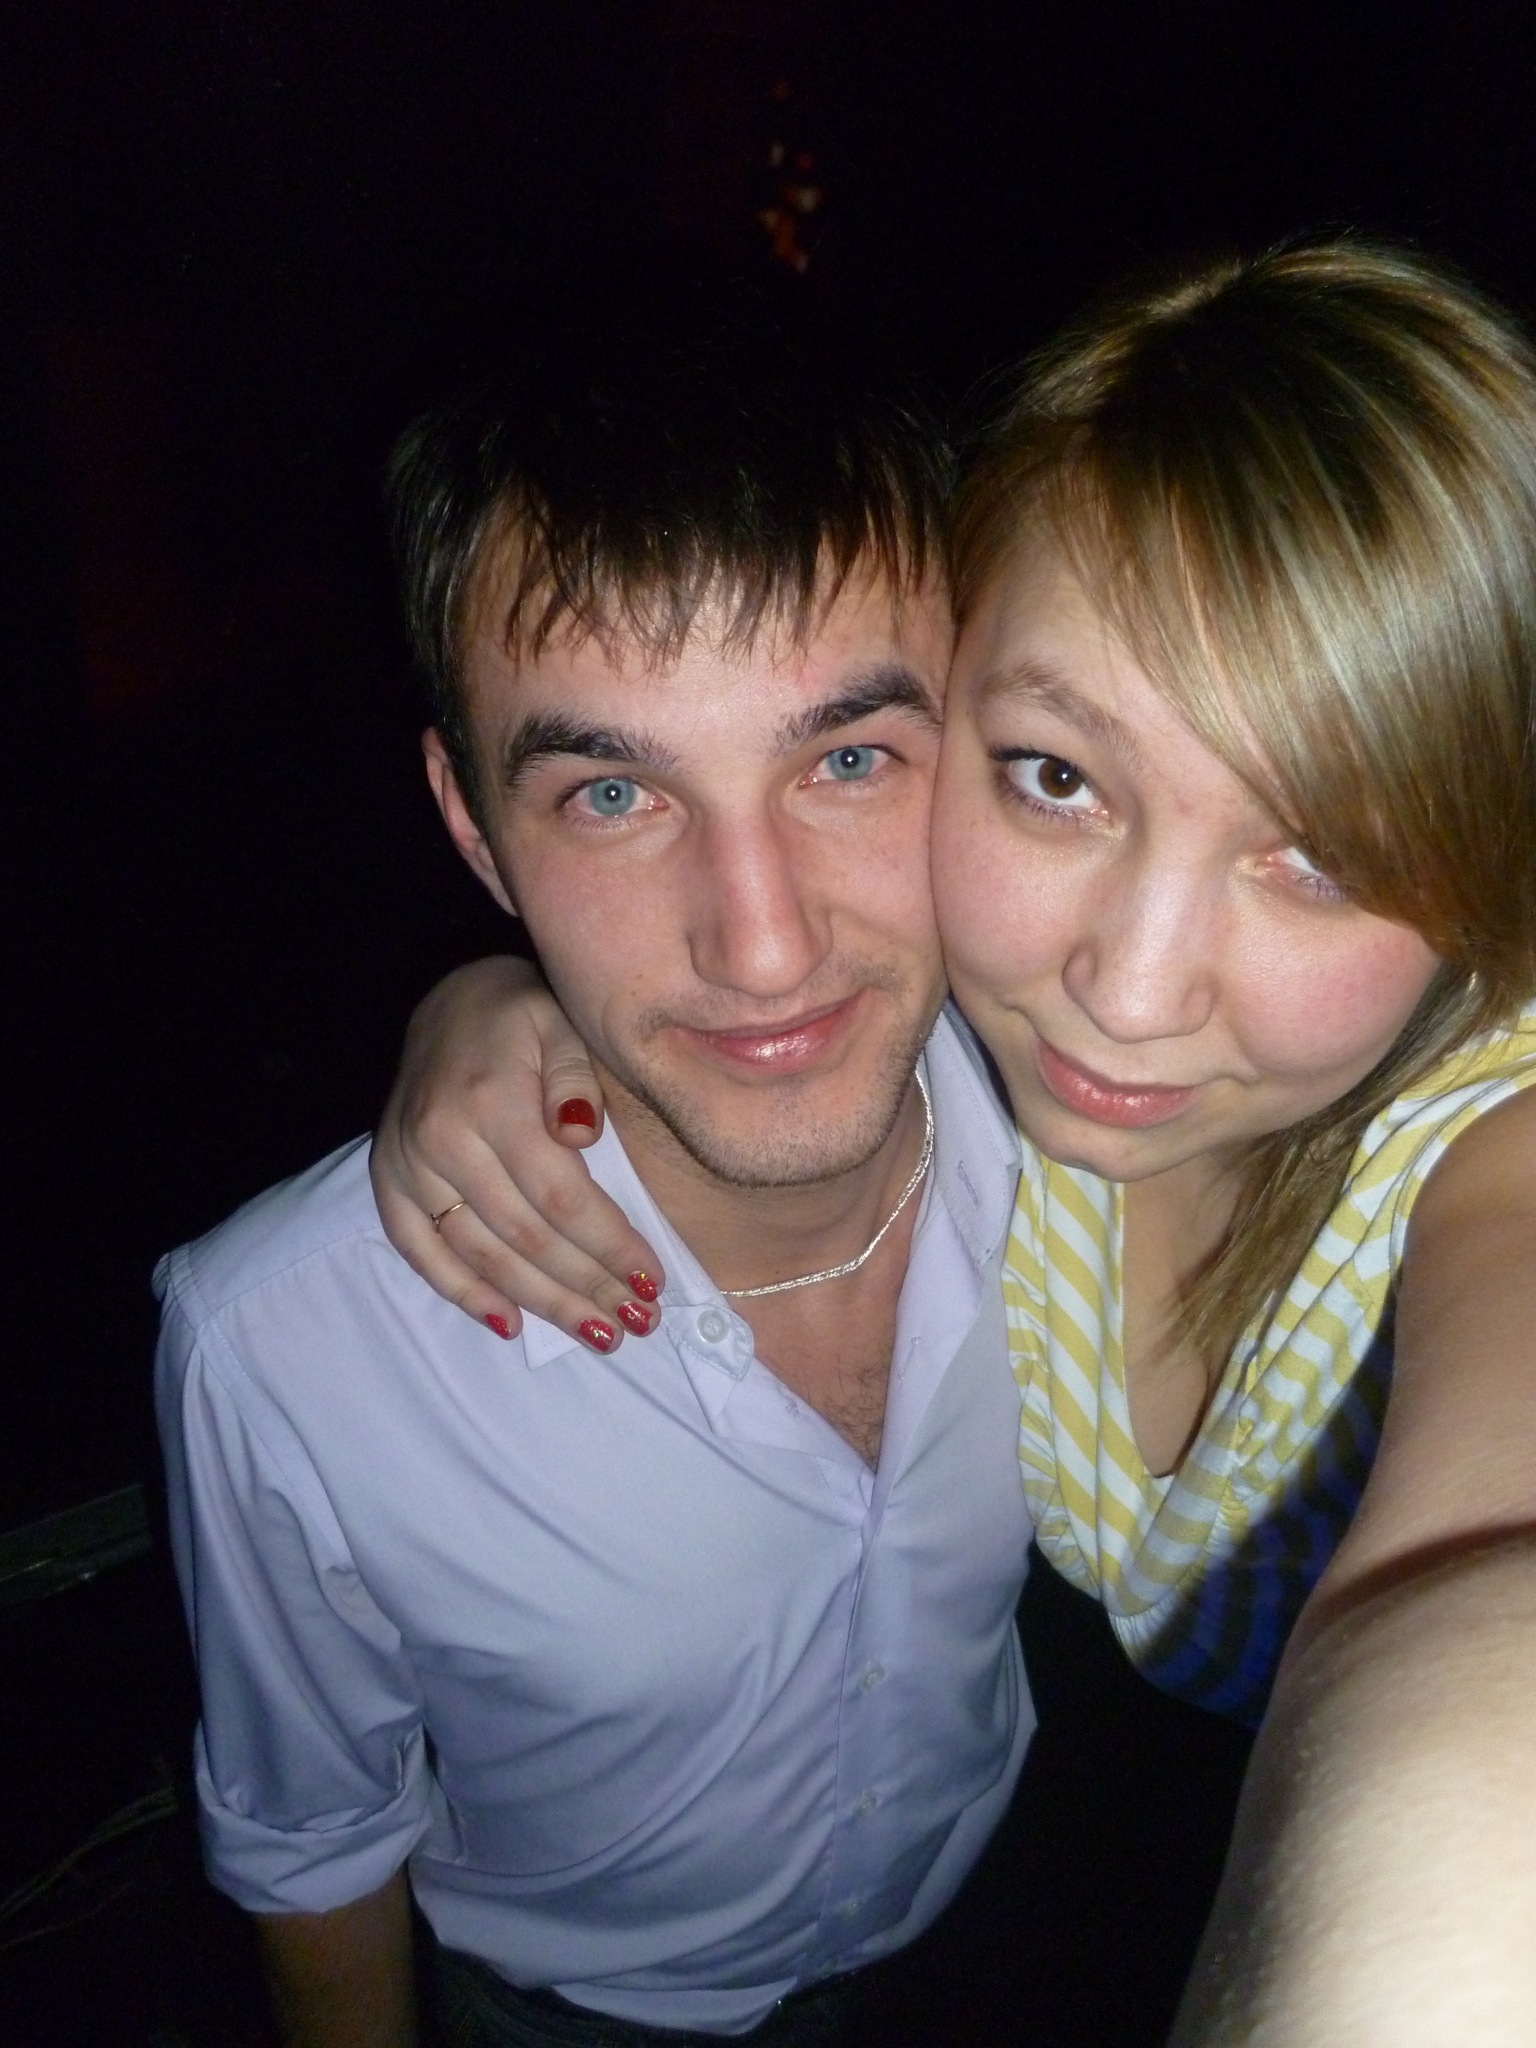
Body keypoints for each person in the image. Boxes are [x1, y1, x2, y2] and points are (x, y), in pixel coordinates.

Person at [371, 240, 1536, 2041]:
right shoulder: (957, 1064)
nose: (1125, 992)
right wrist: (504, 995)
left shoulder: (1490, 1162)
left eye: (1322, 850)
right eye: (1056, 777)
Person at [154, 336, 1041, 2048]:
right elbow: (312, 1838)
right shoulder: (290, 1348)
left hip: (1008, 1922)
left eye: (849, 760)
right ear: (474, 826)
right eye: (614, 795)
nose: (762, 945)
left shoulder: (1095, 1134)